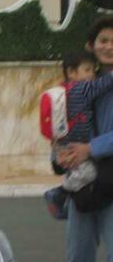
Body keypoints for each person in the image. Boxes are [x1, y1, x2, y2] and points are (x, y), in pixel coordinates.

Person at [45, 16, 113, 262]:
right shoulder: (75, 85)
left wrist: (92, 148)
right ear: (92, 45)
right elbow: (60, 128)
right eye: (103, 39)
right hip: (82, 186)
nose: (109, 45)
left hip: (111, 183)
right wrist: (61, 156)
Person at [43, 51, 113, 218]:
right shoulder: (82, 89)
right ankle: (61, 193)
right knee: (89, 173)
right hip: (75, 145)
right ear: (72, 73)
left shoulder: (63, 89)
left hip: (62, 144)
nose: (92, 74)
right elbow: (103, 84)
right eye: (88, 70)